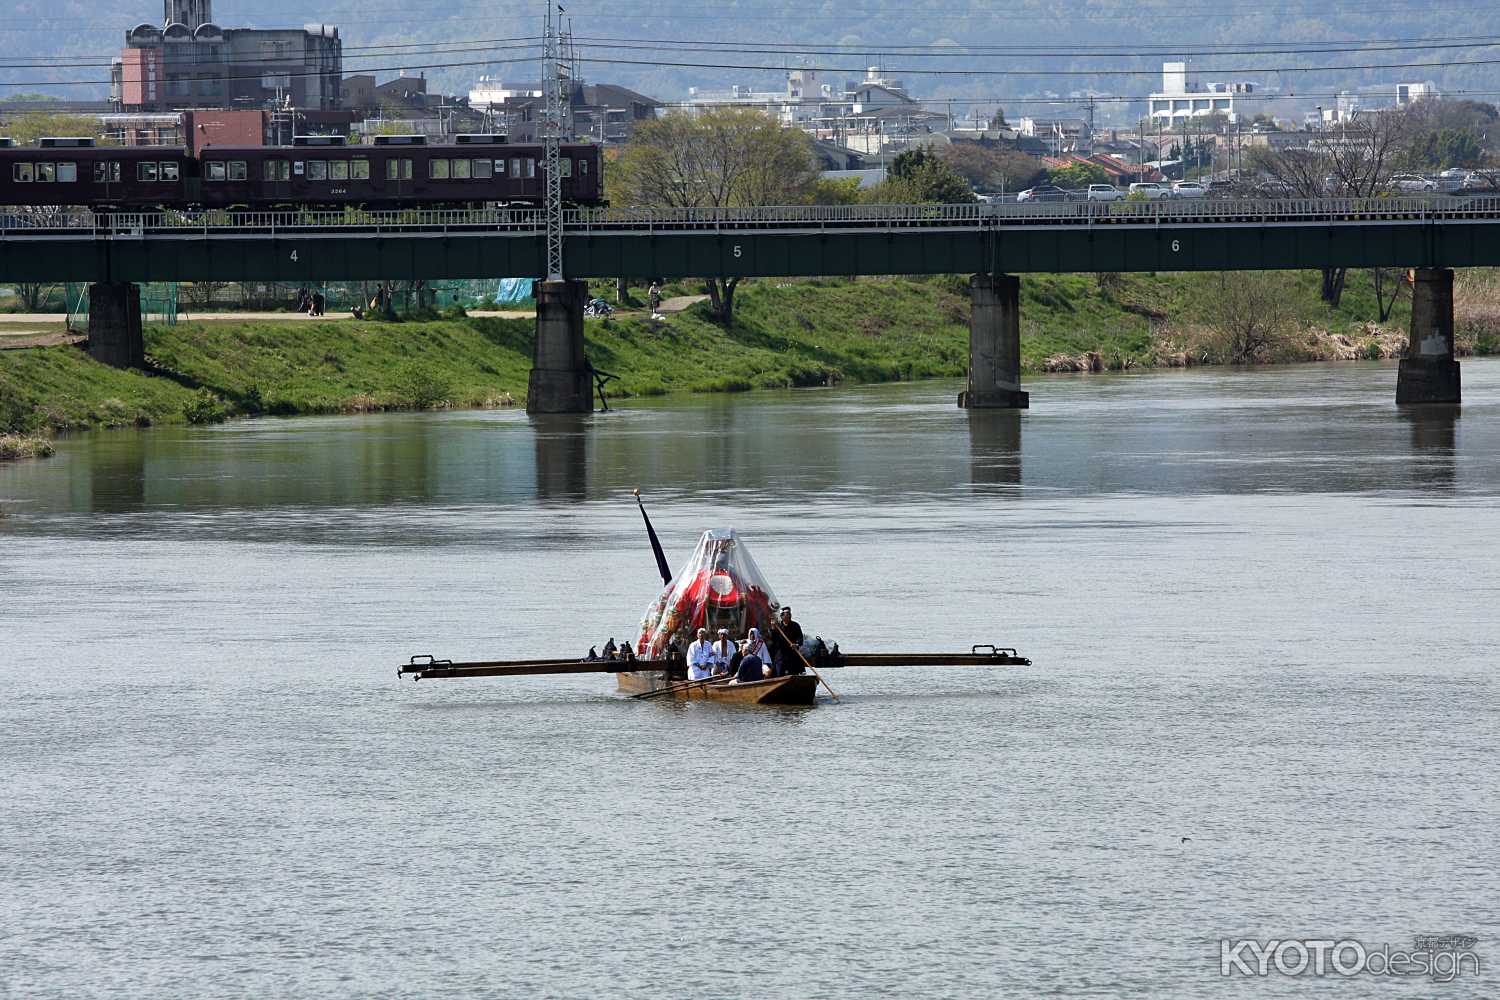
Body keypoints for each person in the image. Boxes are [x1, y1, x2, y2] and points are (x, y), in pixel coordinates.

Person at [772, 606, 805, 675]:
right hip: (781, 652)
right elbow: (774, 639)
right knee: (779, 670)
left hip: (792, 651)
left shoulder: (795, 625)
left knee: (794, 671)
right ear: (782, 616)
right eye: (787, 614)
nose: (789, 616)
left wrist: (797, 644)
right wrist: (773, 629)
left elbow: (800, 638)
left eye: (790, 614)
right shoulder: (778, 626)